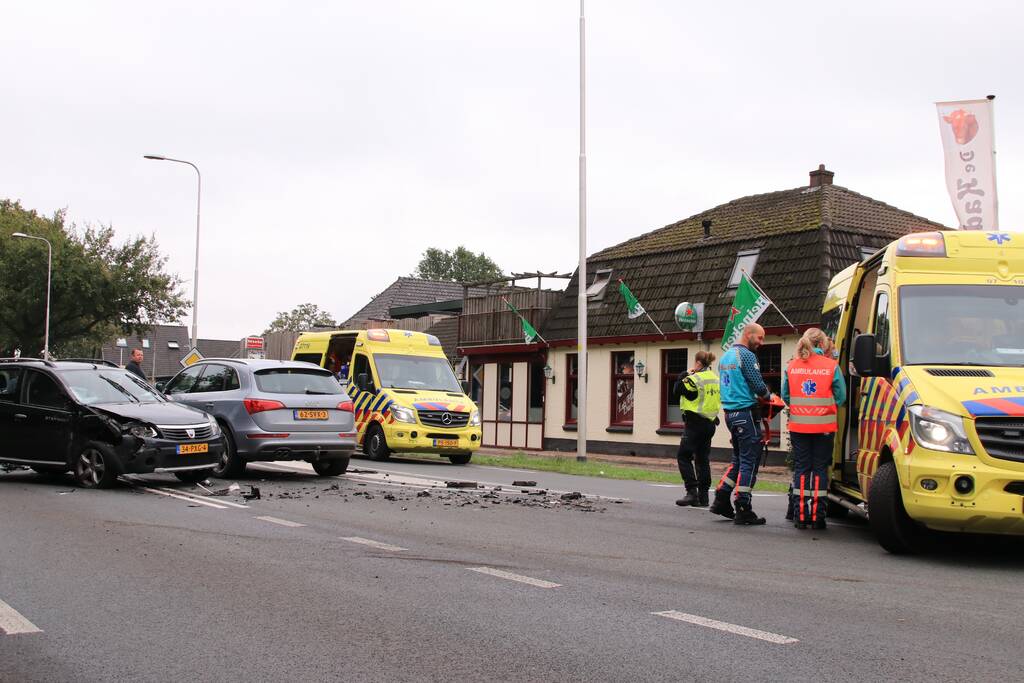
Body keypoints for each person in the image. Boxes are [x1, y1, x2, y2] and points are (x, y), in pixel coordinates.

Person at [782, 328, 846, 529]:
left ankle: (801, 516)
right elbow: (841, 397)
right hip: (824, 426)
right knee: (819, 469)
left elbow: (786, 395)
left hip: (799, 426)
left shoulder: (792, 366)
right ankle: (818, 517)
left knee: (802, 468)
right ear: (823, 344)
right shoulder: (831, 366)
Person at [710, 323, 773, 525]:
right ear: (748, 334)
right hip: (745, 413)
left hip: (730, 414)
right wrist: (768, 396)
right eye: (760, 338)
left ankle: (721, 497)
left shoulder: (726, 356)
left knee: (738, 459)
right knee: (749, 460)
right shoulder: (746, 355)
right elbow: (757, 384)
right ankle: (743, 506)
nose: (761, 343)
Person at [674, 350, 720, 507]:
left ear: (698, 363)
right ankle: (704, 496)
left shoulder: (695, 378)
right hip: (710, 424)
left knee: (683, 456)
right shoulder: (715, 378)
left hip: (694, 424)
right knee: (702, 460)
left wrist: (685, 373)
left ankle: (691, 492)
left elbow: (677, 389)